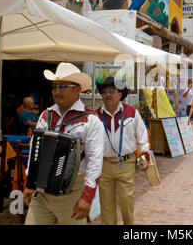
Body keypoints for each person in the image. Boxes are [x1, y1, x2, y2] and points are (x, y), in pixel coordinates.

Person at [23, 62, 105, 225]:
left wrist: (87, 197)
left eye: (63, 86)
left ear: (77, 89)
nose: (57, 91)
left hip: (72, 191)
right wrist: (29, 182)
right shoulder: (45, 115)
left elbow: (95, 162)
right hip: (42, 191)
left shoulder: (90, 120)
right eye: (54, 86)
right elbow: (34, 152)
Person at [95, 77, 150, 225]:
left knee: (126, 201)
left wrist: (145, 153)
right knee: (106, 206)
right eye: (104, 91)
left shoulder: (131, 112)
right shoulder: (96, 116)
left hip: (126, 164)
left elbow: (141, 134)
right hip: (104, 166)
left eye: (112, 91)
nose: (108, 94)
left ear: (120, 94)